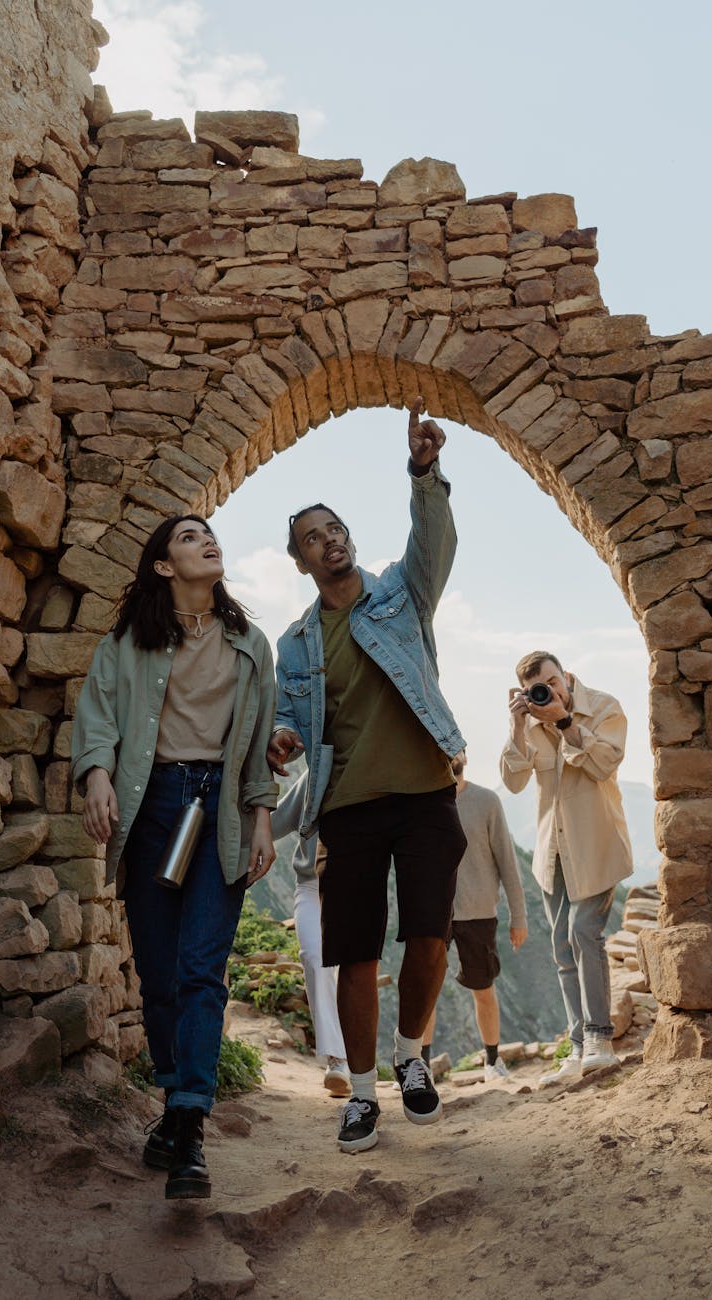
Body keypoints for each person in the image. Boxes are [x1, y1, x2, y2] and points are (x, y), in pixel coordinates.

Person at [267, 400, 467, 1154]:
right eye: (312, 539)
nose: (329, 542)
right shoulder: (295, 642)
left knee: (429, 942)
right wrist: (283, 740)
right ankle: (358, 1096)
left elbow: (434, 542)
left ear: (350, 538)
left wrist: (424, 472)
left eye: (334, 529)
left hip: (423, 795)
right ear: (301, 561)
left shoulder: (399, 594)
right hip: (346, 809)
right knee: (354, 955)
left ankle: (410, 1056)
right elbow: (293, 723)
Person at [71, 515, 278, 1199]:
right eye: (188, 537)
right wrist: (96, 774)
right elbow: (98, 713)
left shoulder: (250, 645)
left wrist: (261, 819)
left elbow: (253, 753)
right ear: (163, 566)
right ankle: (173, 1106)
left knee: (199, 970)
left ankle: (187, 1122)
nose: (206, 541)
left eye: (210, 534)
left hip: (219, 810)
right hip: (153, 802)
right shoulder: (128, 642)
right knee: (158, 974)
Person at [500, 651, 632, 1086]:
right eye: (540, 688)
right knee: (561, 945)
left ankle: (599, 1038)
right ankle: (577, 1047)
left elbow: (604, 763)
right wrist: (519, 724)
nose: (550, 692)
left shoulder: (605, 707)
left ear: (567, 676)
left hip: (595, 846)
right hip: (552, 852)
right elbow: (515, 781)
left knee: (582, 932)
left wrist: (564, 722)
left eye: (554, 682)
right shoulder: (530, 723)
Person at [422, 750, 528, 1083]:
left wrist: (519, 917)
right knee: (424, 991)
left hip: (478, 911)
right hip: (431, 911)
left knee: (483, 989)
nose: (450, 752)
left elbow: (508, 862)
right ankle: (420, 1066)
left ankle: (492, 1062)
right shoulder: (421, 802)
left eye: (456, 746)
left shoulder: (486, 801)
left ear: (465, 754)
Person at [270, 772, 350, 1097]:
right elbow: (276, 822)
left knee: (350, 970)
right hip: (309, 884)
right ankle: (337, 1060)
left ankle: (357, 1061)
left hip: (353, 886)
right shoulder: (317, 772)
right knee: (314, 958)